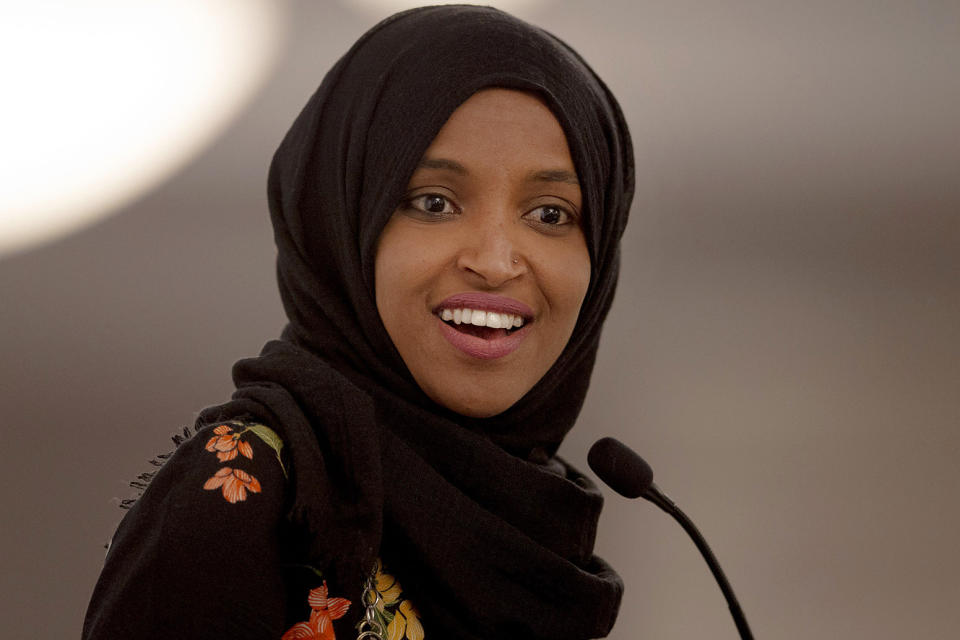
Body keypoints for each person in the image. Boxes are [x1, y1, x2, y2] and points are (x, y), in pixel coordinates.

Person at [82, 5, 634, 639]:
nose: (495, 261)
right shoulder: (239, 498)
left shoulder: (548, 536)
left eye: (550, 215)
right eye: (434, 202)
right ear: (339, 227)